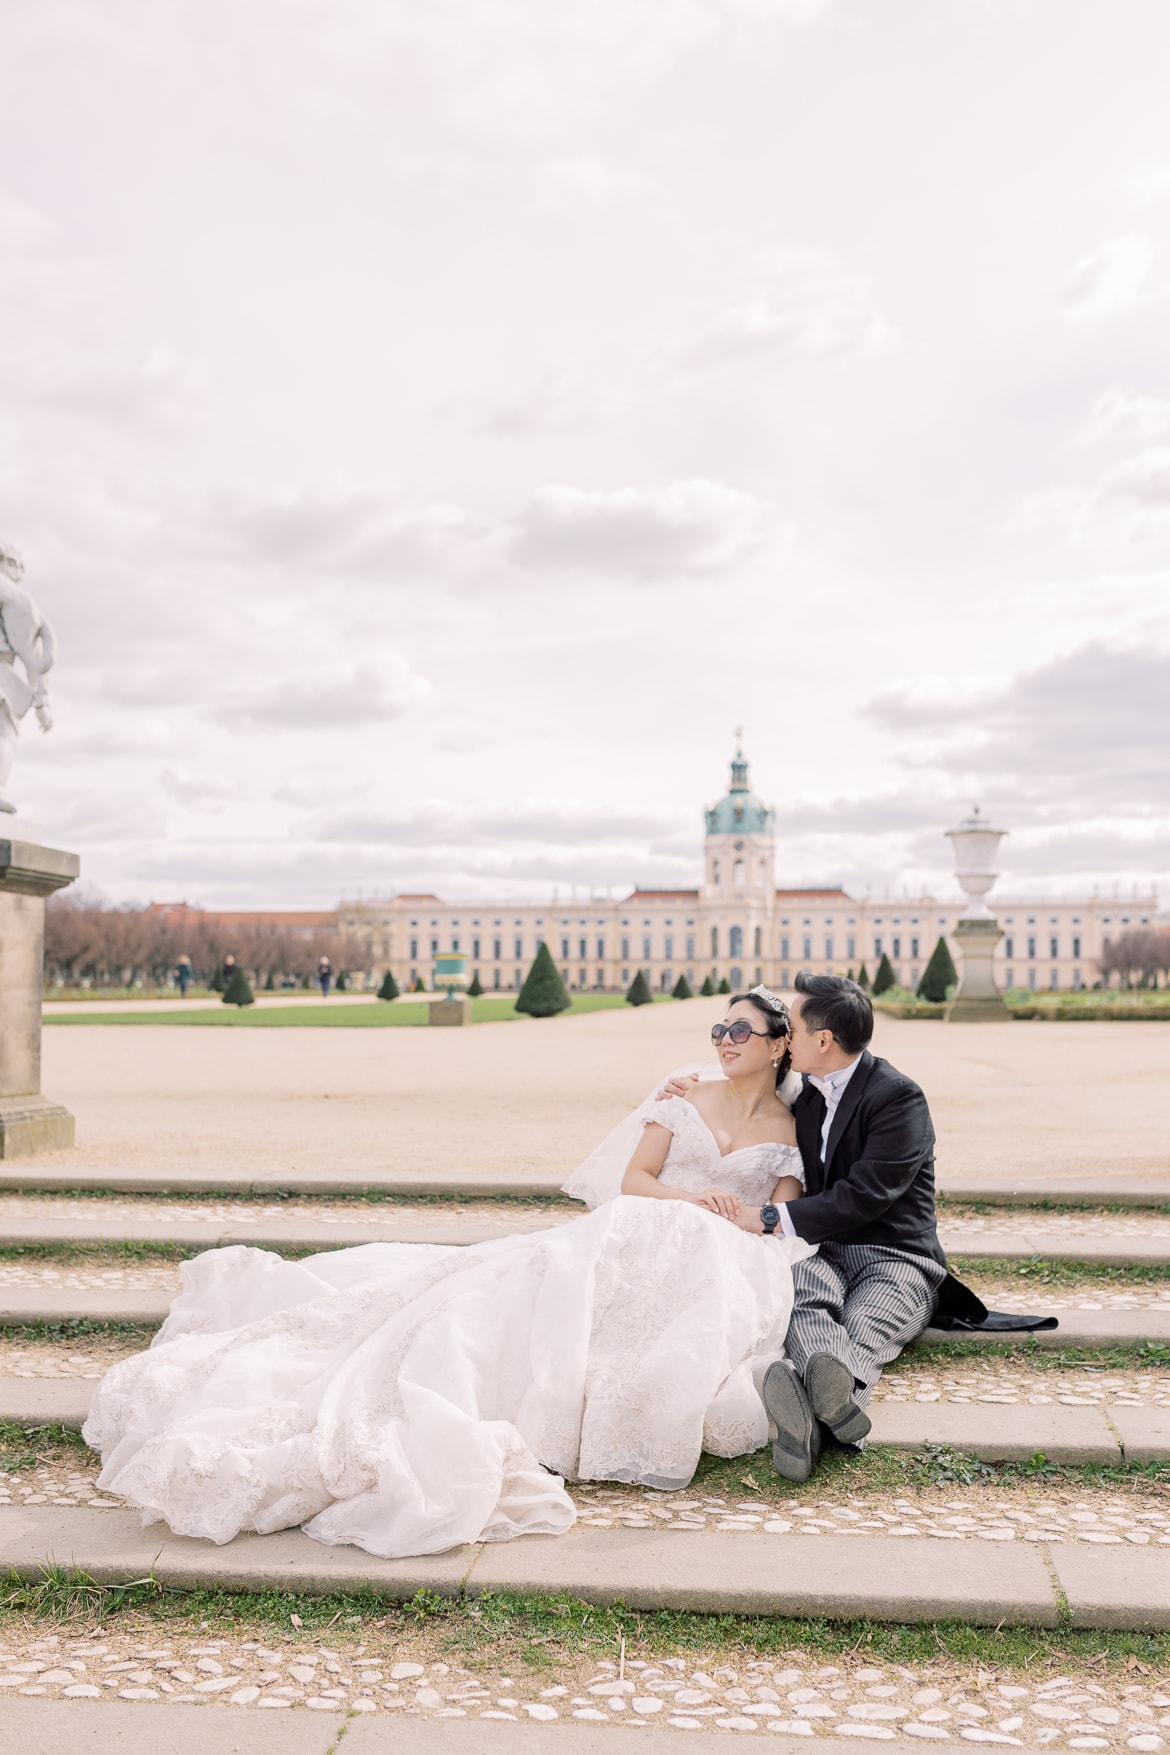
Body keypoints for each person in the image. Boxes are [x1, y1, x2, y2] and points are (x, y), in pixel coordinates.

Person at [83, 989, 811, 1560]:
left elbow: (776, 1219)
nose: (723, 1040)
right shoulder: (681, 1097)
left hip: (707, 1249)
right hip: (639, 1225)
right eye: (718, 1028)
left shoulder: (787, 1132)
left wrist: (732, 1215)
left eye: (740, 1031)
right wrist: (695, 1200)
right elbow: (633, 1180)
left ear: (780, 1043)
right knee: (504, 1303)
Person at [662, 971, 1030, 1484]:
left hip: (896, 1256)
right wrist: (692, 1089)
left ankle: (812, 1420)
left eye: (790, 1025)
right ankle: (828, 1409)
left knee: (867, 1325)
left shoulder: (898, 1097)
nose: (784, 1036)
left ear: (823, 1040)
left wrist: (768, 1216)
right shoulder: (807, 1089)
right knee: (804, 1304)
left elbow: (866, 1195)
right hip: (826, 1250)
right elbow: (750, 1089)